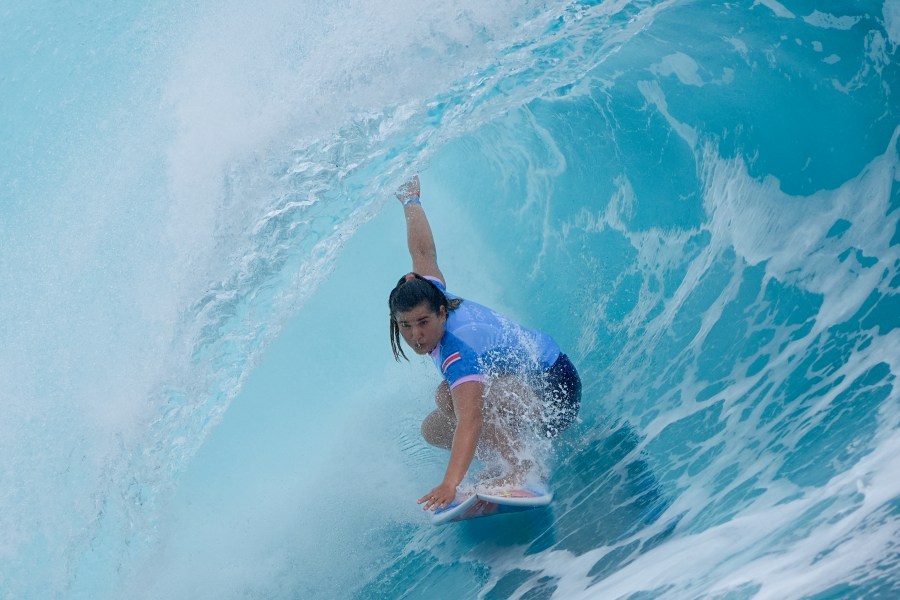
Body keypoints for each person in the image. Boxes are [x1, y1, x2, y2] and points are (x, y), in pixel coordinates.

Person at [389, 175, 582, 512]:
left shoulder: (456, 348)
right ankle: (507, 459)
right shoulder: (432, 293)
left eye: (423, 323)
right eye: (406, 326)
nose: (416, 335)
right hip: (526, 390)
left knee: (451, 399)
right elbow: (423, 251)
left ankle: (524, 466)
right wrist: (410, 199)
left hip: (555, 395)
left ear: (441, 313)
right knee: (434, 429)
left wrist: (451, 484)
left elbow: (472, 418)